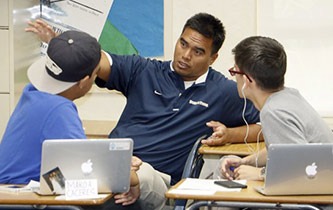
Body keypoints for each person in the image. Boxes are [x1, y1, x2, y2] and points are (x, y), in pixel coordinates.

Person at [25, 13, 262, 210]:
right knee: (56, 189)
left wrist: (229, 135)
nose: (185, 55)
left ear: (213, 58)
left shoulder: (224, 91)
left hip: (157, 180)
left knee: (124, 185)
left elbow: (264, 127)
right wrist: (64, 48)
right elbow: (97, 62)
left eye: (198, 51)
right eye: (183, 44)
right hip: (109, 164)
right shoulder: (143, 70)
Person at [0, 30, 142, 210]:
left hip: (20, 189)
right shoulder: (59, 109)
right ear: (84, 81)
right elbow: (85, 170)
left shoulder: (33, 92)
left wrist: (114, 160)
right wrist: (132, 177)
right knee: (124, 204)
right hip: (22, 198)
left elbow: (72, 157)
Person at [213, 36, 333, 182]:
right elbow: (282, 150)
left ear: (246, 79)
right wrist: (245, 162)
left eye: (235, 72)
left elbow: (300, 169)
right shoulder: (289, 96)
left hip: (317, 200)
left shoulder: (273, 112)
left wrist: (260, 174)